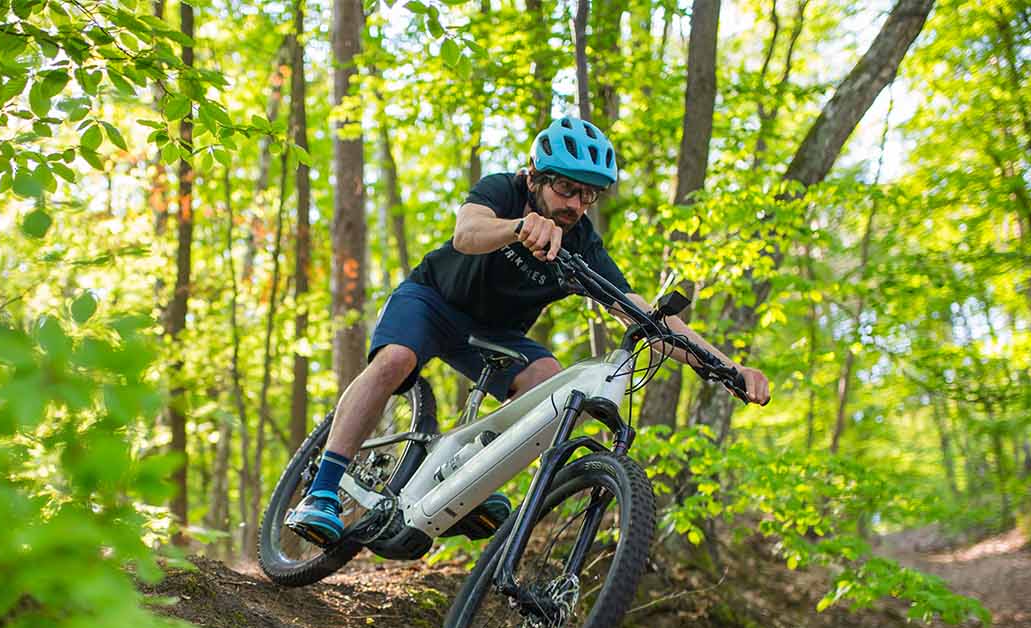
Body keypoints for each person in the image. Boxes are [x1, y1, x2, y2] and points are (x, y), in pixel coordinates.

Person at [286, 116, 771, 546]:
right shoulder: (503, 191)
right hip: (433, 302)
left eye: (589, 195)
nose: (577, 204)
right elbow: (466, 234)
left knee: (551, 383)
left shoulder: (582, 243)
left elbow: (646, 315)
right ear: (535, 177)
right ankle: (323, 488)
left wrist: (728, 368)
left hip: (496, 335)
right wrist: (519, 227)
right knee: (395, 361)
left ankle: (462, 485)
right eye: (567, 189)